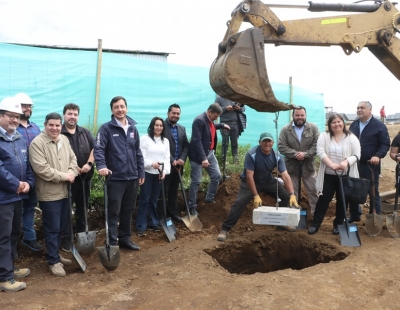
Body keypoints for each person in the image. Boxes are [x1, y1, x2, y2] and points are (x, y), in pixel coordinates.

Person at [217, 132, 300, 241]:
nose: (267, 143)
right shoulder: (252, 154)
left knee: (285, 198)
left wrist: (292, 194)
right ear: (259, 142)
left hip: (267, 180)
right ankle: (225, 229)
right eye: (264, 141)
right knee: (239, 202)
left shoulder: (277, 156)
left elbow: (285, 175)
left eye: (269, 141)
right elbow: (249, 176)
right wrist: (255, 195)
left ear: (273, 143)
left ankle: (281, 223)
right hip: (250, 181)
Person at [29, 112, 78, 277]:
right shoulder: (37, 143)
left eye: (58, 125)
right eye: (51, 125)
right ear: (45, 125)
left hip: (65, 192)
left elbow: (73, 159)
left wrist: (72, 172)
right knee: (52, 228)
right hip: (49, 195)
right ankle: (53, 261)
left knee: (62, 227)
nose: (55, 128)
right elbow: (42, 169)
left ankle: (55, 254)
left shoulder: (64, 140)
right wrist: (65, 176)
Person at [94, 96, 144, 250]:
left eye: (122, 106)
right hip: (115, 177)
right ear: (112, 110)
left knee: (128, 210)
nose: (120, 109)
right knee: (113, 211)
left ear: (126, 108)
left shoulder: (133, 128)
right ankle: (111, 241)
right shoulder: (106, 128)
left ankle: (125, 239)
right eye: (116, 107)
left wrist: (141, 172)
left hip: (132, 177)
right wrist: (101, 166)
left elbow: (137, 151)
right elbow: (99, 149)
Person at [0, 97, 33, 292]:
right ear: (1, 115)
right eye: (10, 116)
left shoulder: (18, 137)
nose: (14, 120)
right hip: (3, 198)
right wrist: (16, 185)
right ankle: (4, 277)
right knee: (2, 237)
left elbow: (27, 164)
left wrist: (28, 183)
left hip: (18, 196)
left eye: (17, 116)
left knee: (13, 234)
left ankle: (10, 267)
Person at [308, 114, 361, 235]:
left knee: (342, 200)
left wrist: (346, 162)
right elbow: (320, 152)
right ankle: (315, 224)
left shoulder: (351, 137)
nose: (337, 124)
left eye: (339, 122)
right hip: (329, 174)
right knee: (323, 199)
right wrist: (331, 164)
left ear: (343, 123)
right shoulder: (324, 136)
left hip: (345, 175)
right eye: (334, 122)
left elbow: (357, 155)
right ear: (330, 125)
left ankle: (338, 224)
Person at [60, 103, 95, 251]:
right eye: (69, 114)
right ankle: (66, 240)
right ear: (64, 115)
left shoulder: (85, 132)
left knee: (82, 209)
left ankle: (82, 237)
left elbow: (95, 148)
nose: (72, 117)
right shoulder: (59, 133)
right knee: (66, 211)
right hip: (68, 181)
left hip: (84, 179)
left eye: (75, 114)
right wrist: (72, 169)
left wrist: (89, 164)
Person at [348, 101, 390, 221]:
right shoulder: (354, 125)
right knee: (354, 190)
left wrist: (378, 155)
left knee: (372, 191)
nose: (359, 110)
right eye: (358, 108)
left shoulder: (379, 125)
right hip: (354, 164)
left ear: (370, 110)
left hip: (371, 165)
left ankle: (374, 217)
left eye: (362, 108)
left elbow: (385, 144)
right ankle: (355, 215)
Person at [187, 103, 230, 216]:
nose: (216, 119)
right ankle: (192, 206)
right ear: (209, 112)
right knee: (196, 181)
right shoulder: (199, 120)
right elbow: (196, 140)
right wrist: (203, 158)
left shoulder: (209, 120)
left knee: (216, 176)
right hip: (198, 157)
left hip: (209, 154)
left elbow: (210, 128)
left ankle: (209, 198)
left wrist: (221, 125)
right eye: (215, 116)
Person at [14, 92, 43, 252]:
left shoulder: (35, 128)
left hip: (32, 175)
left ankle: (29, 238)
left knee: (30, 207)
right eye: (24, 106)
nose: (27, 109)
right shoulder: (11, 127)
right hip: (16, 177)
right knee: (12, 211)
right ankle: (12, 244)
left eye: (29, 106)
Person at [278, 106, 319, 215]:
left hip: (308, 167)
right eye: (297, 115)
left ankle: (316, 216)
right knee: (292, 193)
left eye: (302, 115)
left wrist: (306, 154)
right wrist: (295, 154)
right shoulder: (286, 130)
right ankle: (293, 216)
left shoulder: (313, 128)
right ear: (293, 116)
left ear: (305, 116)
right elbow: (281, 146)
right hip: (292, 167)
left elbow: (317, 144)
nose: (300, 117)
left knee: (313, 192)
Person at [136, 117, 170, 236]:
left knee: (154, 200)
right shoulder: (145, 139)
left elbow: (166, 157)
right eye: (156, 125)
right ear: (152, 126)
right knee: (144, 199)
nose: (159, 127)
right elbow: (140, 157)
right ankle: (141, 225)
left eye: (161, 125)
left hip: (159, 175)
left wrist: (164, 171)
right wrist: (151, 164)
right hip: (147, 173)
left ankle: (153, 222)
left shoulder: (165, 141)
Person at [159, 103, 189, 222]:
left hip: (178, 166)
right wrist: (172, 160)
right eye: (173, 113)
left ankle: (173, 213)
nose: (175, 115)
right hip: (166, 166)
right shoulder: (161, 127)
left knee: (173, 190)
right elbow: (161, 145)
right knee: (163, 191)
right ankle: (162, 215)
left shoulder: (181, 128)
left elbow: (186, 146)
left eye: (178, 113)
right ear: (168, 113)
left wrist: (181, 159)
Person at [216, 96, 246, 164]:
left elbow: (243, 109)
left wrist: (239, 108)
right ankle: (224, 161)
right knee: (225, 143)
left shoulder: (236, 96)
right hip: (224, 123)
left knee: (235, 143)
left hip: (235, 124)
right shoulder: (219, 98)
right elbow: (216, 110)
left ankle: (235, 161)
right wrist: (225, 108)